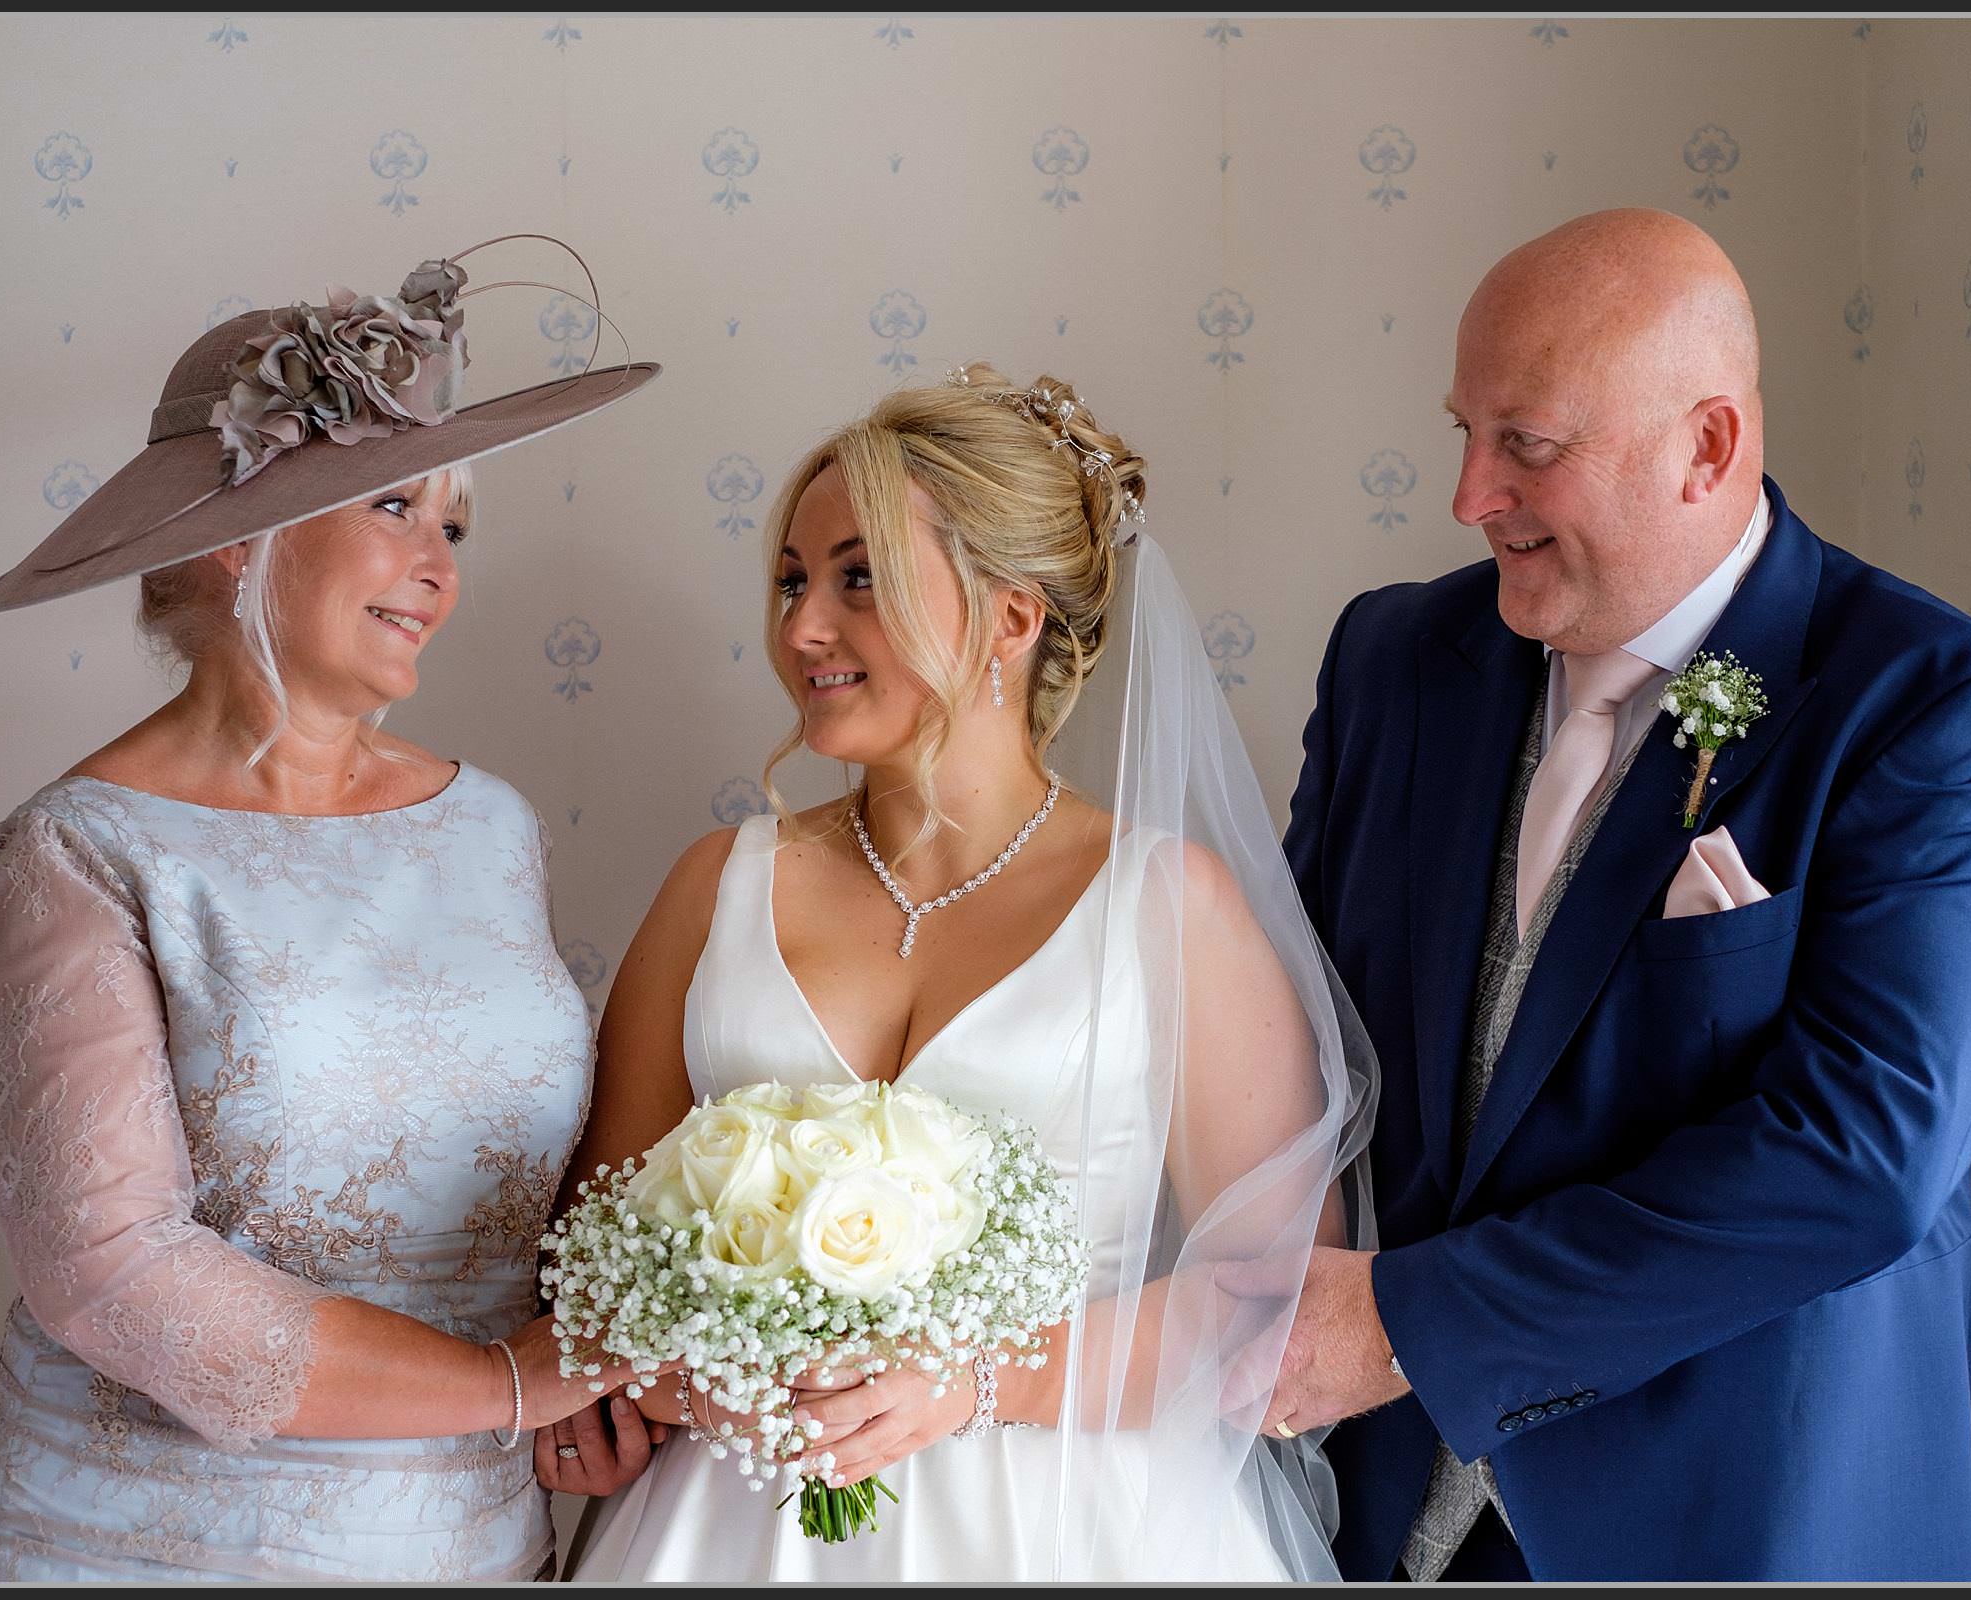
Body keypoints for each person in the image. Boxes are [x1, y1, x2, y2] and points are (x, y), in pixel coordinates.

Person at [1266, 208, 1971, 1580]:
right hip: (1380, 1506)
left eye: (1527, 445)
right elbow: (1295, 1022)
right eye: (1464, 431)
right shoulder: (1394, 656)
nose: (1468, 496)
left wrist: (1403, 1326)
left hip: (1741, 1514)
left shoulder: (1940, 712)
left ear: (1709, 447)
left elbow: (1856, 1160)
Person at [552, 363, 1378, 1581]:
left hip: (1068, 1525)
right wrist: (659, 1379)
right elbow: (592, 1250)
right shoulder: (715, 887)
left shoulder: (1169, 909)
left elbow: (1281, 1303)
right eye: (791, 579)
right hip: (735, 1522)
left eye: (859, 579)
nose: (801, 628)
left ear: (1011, 614)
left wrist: (989, 1377)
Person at [0, 239, 663, 1580]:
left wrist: (602, 1385)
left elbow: (529, 1177)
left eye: (454, 524)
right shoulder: (71, 855)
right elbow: (113, 1274)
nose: (439, 565)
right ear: (237, 540)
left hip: (465, 1536)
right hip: (144, 1544)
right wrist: (515, 1387)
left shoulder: (493, 827)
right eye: (396, 506)